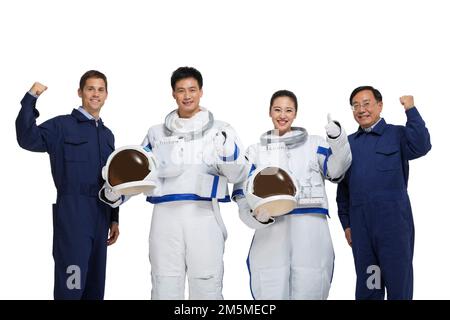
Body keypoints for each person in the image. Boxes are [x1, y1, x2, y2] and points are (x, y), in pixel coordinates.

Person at [104, 66, 247, 299]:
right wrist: (116, 194)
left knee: (207, 281)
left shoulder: (221, 130)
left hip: (204, 214)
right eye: (181, 90)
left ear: (201, 92)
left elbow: (239, 173)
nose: (187, 95)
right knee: (164, 282)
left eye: (192, 89)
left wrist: (227, 151)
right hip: (165, 217)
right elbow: (138, 171)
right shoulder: (157, 133)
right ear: (173, 94)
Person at [232, 90, 352, 299]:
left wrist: (337, 140)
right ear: (269, 111)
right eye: (277, 109)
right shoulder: (256, 151)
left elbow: (336, 169)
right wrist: (254, 217)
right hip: (271, 228)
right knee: (270, 283)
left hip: (310, 225)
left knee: (312, 281)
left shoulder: (314, 144)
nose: (283, 115)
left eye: (288, 110)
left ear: (295, 113)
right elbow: (242, 194)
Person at [15, 70, 120, 299]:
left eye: (100, 89)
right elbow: (27, 138)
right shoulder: (62, 126)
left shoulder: (108, 135)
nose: (95, 94)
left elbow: (113, 181)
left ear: (106, 95)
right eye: (90, 88)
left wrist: (114, 218)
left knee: (94, 287)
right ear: (80, 92)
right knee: (72, 285)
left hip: (101, 215)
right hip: (73, 214)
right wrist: (31, 97)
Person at [337, 86, 431, 300]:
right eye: (355, 105)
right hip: (362, 229)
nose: (361, 109)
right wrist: (347, 224)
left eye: (366, 103)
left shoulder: (397, 134)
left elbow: (422, 145)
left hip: (394, 226)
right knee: (370, 286)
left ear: (380, 105)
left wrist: (411, 110)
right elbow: (343, 189)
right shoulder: (348, 144)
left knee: (399, 286)